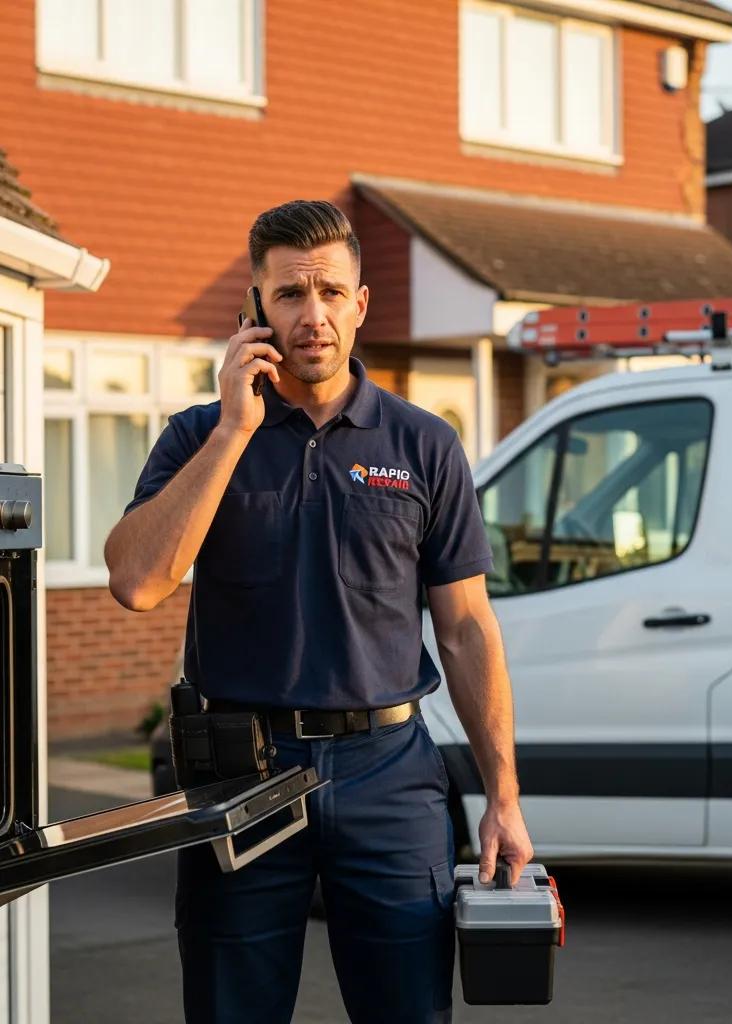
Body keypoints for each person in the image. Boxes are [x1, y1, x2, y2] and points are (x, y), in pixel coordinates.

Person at [104, 199, 534, 1023]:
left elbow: (468, 626)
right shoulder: (198, 434)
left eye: (332, 293)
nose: (314, 316)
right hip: (242, 776)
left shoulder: (423, 444)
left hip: (390, 774)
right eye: (291, 295)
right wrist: (234, 429)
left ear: (360, 303)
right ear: (255, 308)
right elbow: (137, 581)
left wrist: (503, 798)